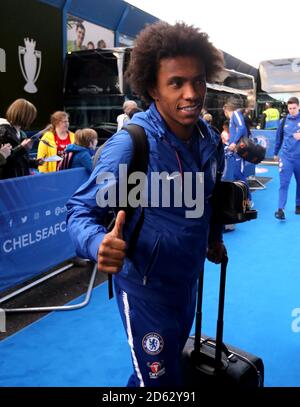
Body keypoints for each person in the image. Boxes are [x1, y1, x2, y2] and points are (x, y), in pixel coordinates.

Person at [67, 21, 227, 387]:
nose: (191, 94)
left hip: (187, 282)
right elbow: (79, 211)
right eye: (176, 83)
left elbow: (210, 196)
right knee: (158, 380)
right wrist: (97, 244)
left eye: (198, 81)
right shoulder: (131, 145)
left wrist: (213, 237)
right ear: (153, 88)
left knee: (163, 367)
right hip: (144, 290)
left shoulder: (209, 141)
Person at [0, 98, 41, 179]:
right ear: (24, 115)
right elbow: (5, 160)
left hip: (21, 179)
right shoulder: (3, 132)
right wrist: (21, 147)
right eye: (31, 116)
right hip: (9, 182)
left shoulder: (22, 133)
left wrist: (34, 162)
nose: (32, 119)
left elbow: (20, 160)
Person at [274, 96, 300, 220]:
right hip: (286, 158)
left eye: (294, 108)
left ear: (299, 107)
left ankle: (298, 205)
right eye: (290, 108)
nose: (292, 110)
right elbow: (278, 138)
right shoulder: (283, 121)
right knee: (284, 184)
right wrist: (275, 153)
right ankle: (280, 210)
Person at [223, 101, 251, 200]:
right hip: (235, 151)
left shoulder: (235, 114)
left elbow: (242, 127)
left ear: (225, 110)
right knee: (236, 174)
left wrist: (234, 142)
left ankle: (248, 200)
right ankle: (241, 198)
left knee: (240, 174)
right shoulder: (233, 118)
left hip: (239, 150)